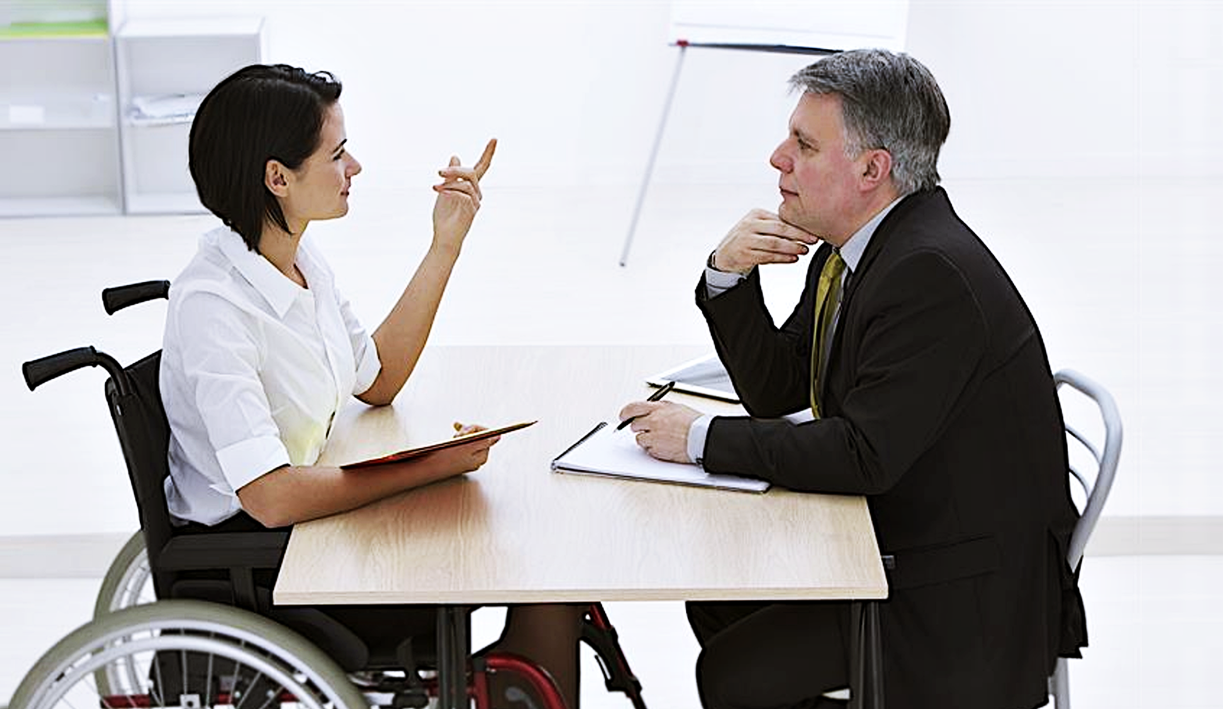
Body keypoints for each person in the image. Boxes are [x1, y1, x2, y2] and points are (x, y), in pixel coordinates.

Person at [618, 49, 1086, 709]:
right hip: (899, 542)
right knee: (718, 599)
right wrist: (728, 274)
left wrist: (698, 438)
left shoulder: (929, 275)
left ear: (873, 169)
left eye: (804, 144)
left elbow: (862, 454)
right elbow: (781, 387)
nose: (778, 158)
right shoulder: (855, 247)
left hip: (959, 602)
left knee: (731, 672)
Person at [159, 64, 581, 706]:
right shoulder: (214, 306)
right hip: (268, 559)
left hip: (312, 518)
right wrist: (427, 468)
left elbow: (377, 377)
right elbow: (270, 497)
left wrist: (445, 245)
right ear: (278, 177)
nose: (354, 167)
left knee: (542, 554)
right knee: (535, 568)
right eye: (337, 153)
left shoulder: (299, 261)